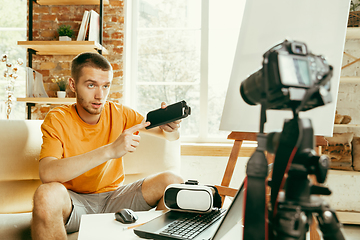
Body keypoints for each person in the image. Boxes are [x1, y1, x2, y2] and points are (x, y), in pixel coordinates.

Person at [31, 52, 183, 240]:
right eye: (91, 85)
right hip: (75, 203)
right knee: (46, 195)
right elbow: (47, 173)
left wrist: (171, 126)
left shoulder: (120, 113)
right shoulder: (57, 119)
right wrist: (111, 150)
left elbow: (169, 135)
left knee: (173, 182)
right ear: (73, 85)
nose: (99, 95)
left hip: (115, 198)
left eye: (105, 86)